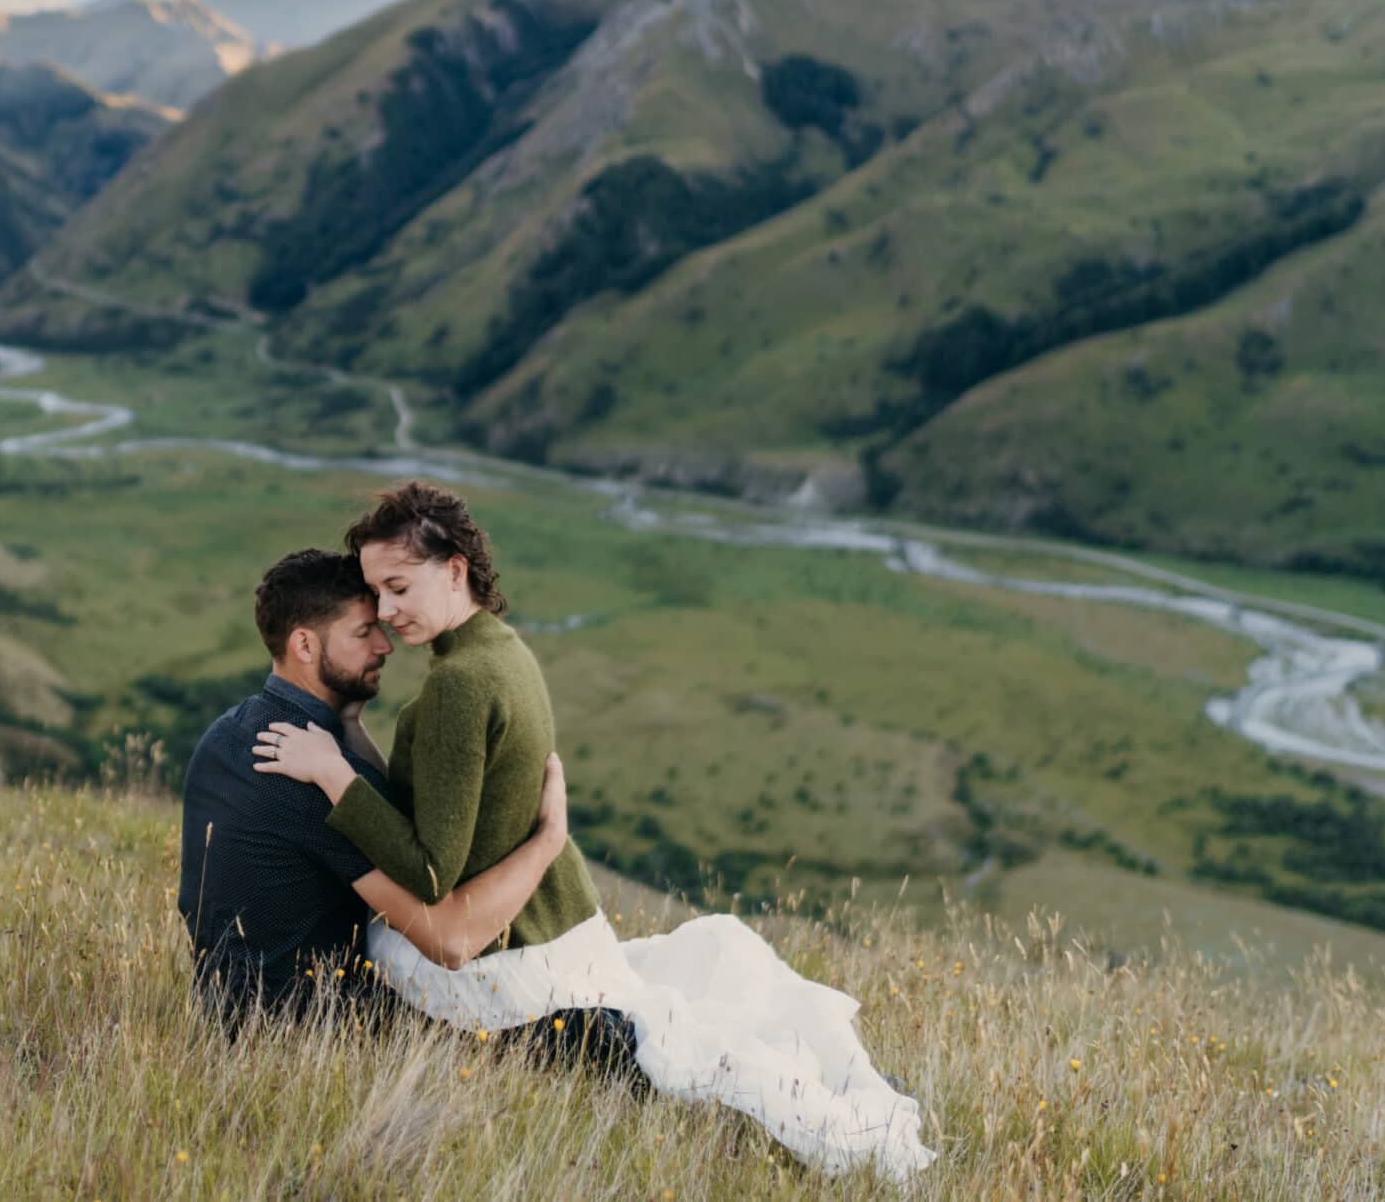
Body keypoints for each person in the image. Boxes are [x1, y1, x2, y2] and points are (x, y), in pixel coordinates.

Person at [254, 482, 936, 1182]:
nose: (387, 611)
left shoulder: (459, 682)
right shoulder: (505, 650)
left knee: (384, 944)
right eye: (376, 592)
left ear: (455, 568)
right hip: (562, 930)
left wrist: (333, 776)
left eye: (398, 585)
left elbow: (430, 874)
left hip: (502, 962)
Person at [178, 547, 577, 1025]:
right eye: (364, 632)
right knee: (566, 1035)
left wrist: (348, 724)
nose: (385, 646)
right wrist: (548, 840)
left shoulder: (227, 734)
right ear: (304, 646)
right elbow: (450, 941)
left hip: (222, 1009)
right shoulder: (315, 782)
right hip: (308, 1029)